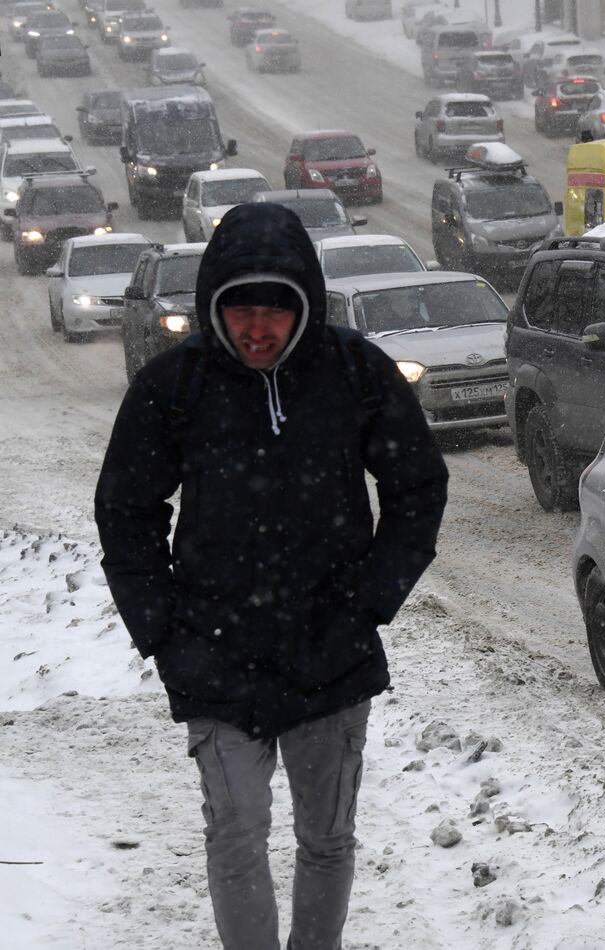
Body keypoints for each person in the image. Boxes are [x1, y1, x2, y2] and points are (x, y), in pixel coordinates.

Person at [94, 202, 449, 950]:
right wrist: (160, 629)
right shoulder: (174, 386)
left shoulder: (355, 372)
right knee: (236, 837)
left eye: (276, 312)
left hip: (331, 650)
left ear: (304, 307)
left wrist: (369, 601)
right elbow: (127, 509)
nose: (258, 329)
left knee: (326, 840)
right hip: (214, 652)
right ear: (215, 306)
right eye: (242, 310)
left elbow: (417, 487)